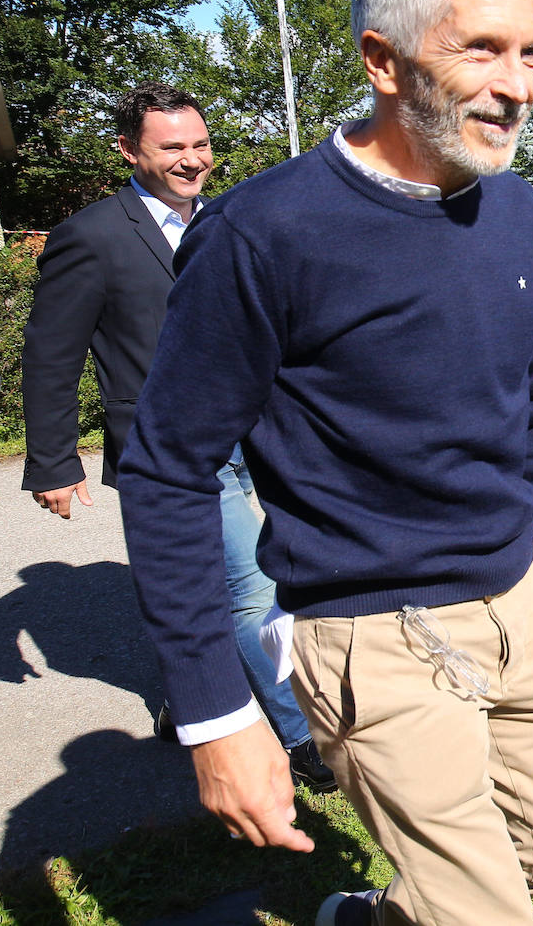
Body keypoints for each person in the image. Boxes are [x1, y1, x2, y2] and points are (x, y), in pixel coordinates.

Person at [115, 0, 533, 926]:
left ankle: (366, 916)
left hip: (516, 594)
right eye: (481, 48)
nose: (519, 83)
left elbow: (532, 406)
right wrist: (218, 715)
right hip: (373, 630)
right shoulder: (264, 233)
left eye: (529, 52)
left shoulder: (518, 210)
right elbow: (169, 468)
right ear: (381, 61)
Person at [19, 82, 332, 791]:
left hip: (259, 432)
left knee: (245, 575)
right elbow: (51, 353)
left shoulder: (229, 220)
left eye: (199, 145)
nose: (192, 161)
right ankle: (303, 739)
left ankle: (186, 702)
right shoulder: (92, 236)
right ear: (129, 150)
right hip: (172, 449)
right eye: (172, 148)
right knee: (251, 584)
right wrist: (52, 461)